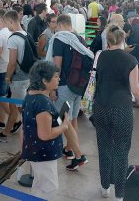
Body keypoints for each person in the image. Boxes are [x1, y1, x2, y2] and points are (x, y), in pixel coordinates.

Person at [93, 24, 139, 200]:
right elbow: (135, 90)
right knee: (121, 151)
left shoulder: (102, 56)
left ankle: (104, 186)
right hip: (121, 108)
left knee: (104, 147)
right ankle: (119, 194)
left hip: (100, 106)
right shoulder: (130, 61)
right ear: (124, 40)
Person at [46, 14, 92, 170]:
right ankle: (70, 150)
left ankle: (79, 156)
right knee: (72, 120)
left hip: (64, 85)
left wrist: (52, 88)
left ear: (59, 25)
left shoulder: (60, 39)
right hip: (79, 85)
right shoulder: (79, 39)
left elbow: (56, 65)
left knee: (64, 121)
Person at [21, 61, 68, 199]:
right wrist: (64, 126)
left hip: (34, 151)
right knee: (49, 188)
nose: (58, 79)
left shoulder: (30, 95)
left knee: (39, 185)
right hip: (43, 154)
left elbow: (25, 127)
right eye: (55, 77)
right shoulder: (42, 103)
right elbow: (45, 134)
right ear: (44, 81)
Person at [0, 9, 21, 139]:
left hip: (1, 69)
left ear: (2, 20)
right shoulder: (12, 32)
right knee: (5, 97)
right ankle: (2, 120)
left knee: (0, 99)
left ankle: (16, 120)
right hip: (10, 69)